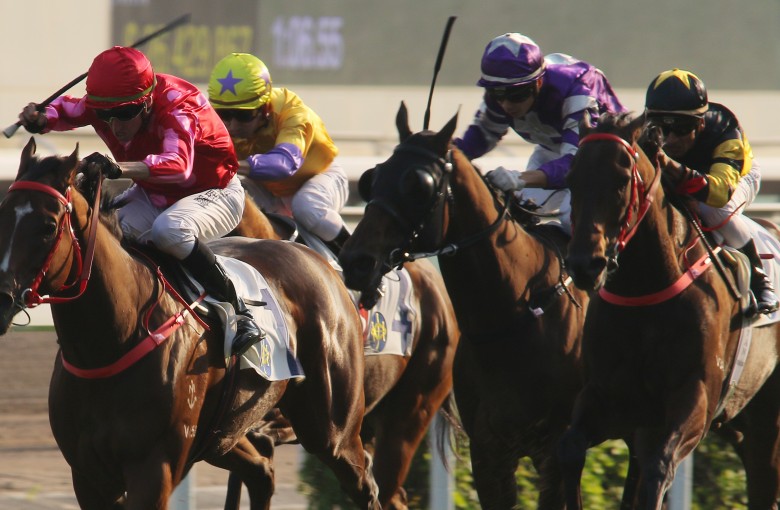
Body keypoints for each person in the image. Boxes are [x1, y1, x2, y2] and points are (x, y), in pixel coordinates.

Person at [18, 46, 264, 345]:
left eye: (124, 114)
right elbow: (67, 109)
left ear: (147, 102)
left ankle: (239, 313)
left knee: (170, 230)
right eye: (105, 115)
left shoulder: (177, 106)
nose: (114, 125)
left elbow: (179, 166)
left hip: (214, 192)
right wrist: (40, 117)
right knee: (99, 240)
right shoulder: (109, 106)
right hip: (155, 194)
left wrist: (117, 168)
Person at [453, 32, 626, 232]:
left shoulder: (576, 88)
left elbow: (578, 163)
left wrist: (520, 178)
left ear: (538, 83)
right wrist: (436, 154)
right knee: (517, 214)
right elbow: (479, 138)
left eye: (516, 95)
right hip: (555, 151)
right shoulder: (503, 93)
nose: (506, 104)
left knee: (572, 219)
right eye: (496, 94)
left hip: (603, 159)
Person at [645, 68, 779, 315]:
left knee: (712, 209)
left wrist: (673, 168)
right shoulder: (644, 134)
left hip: (736, 177)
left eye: (682, 127)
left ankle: (760, 280)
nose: (671, 138)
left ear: (701, 122)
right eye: (661, 126)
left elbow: (720, 193)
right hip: (693, 178)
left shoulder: (725, 129)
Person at [207, 52, 350, 253]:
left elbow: (285, 163)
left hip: (318, 176)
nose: (232, 125)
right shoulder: (213, 120)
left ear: (265, 107)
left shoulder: (294, 112)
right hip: (267, 187)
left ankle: (354, 257)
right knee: (228, 196)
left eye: (243, 115)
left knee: (306, 206)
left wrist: (231, 164)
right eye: (223, 114)